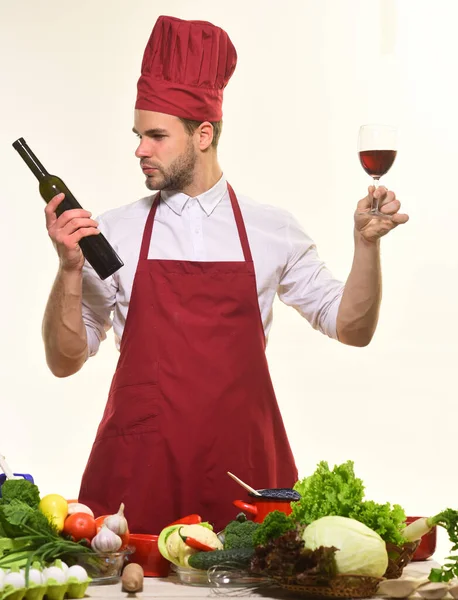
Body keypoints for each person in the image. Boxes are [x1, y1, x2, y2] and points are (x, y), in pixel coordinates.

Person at [42, 15, 408, 533]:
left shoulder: (270, 229)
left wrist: (366, 246)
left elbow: (351, 328)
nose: (140, 149)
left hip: (244, 477)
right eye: (137, 135)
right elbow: (65, 360)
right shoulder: (114, 232)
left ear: (204, 135)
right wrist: (69, 270)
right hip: (139, 478)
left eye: (156, 136)